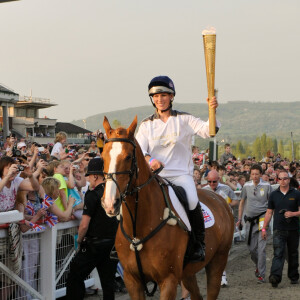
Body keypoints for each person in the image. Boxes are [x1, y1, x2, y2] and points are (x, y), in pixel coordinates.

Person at [135, 75, 219, 262]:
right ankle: (130, 243)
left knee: (191, 199)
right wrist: (150, 159)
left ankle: (198, 244)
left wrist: (212, 111)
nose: (159, 99)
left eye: (164, 95)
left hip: (181, 175)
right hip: (155, 176)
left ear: (171, 96)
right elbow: (139, 150)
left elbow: (208, 131)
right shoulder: (146, 124)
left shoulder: (184, 119)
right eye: (155, 96)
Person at [66, 158, 118, 300]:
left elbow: (84, 224)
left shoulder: (92, 194)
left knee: (74, 276)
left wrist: (80, 240)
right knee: (108, 283)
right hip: (112, 243)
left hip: (93, 245)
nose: (88, 180)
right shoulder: (116, 193)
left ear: (96, 176)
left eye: (89, 176)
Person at [262, 170, 300, 288]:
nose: (283, 181)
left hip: (293, 229)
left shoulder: (296, 194)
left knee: (293, 254)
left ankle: (294, 276)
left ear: (289, 180)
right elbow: (269, 212)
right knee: (278, 253)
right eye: (280, 179)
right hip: (279, 229)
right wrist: (264, 228)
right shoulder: (273, 195)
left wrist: (293, 214)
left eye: (285, 178)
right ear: (277, 180)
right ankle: (275, 277)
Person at [202, 169, 239, 286]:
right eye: (210, 182)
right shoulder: (203, 190)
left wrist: (227, 204)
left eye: (214, 181)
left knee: (223, 250)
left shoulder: (226, 189)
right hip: (210, 224)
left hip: (224, 223)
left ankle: (222, 275)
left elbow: (235, 200)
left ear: (219, 179)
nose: (212, 184)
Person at [237, 164, 272, 284]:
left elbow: (271, 205)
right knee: (251, 249)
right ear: (250, 175)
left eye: (257, 174)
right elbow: (241, 202)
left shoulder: (267, 186)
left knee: (261, 249)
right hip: (250, 221)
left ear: (261, 174)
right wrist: (239, 218)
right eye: (253, 174)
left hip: (263, 219)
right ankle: (258, 265)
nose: (255, 176)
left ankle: (261, 275)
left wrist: (269, 220)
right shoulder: (246, 186)